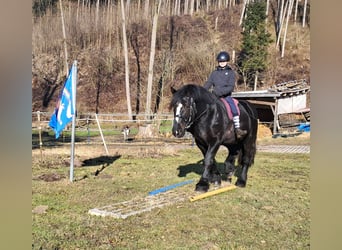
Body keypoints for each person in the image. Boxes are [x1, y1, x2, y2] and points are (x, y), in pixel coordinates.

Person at [204, 51, 247, 139]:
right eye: (220, 61)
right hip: (215, 96)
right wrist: (202, 91)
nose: (222, 63)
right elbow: (208, 83)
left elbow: (230, 87)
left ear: (227, 62)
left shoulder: (231, 73)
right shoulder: (214, 73)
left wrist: (220, 92)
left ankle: (237, 128)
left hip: (226, 96)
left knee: (234, 107)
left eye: (223, 61)